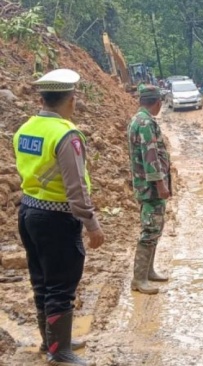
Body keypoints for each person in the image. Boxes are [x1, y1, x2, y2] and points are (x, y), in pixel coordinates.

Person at [13, 68, 105, 365]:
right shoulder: (66, 134)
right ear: (71, 99)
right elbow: (76, 187)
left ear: (43, 98)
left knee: (42, 281)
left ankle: (51, 342)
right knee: (61, 285)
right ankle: (60, 352)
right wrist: (92, 225)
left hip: (29, 211)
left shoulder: (26, 127)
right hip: (56, 218)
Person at [127, 84, 171, 295]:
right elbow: (150, 156)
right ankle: (139, 279)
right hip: (150, 187)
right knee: (150, 230)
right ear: (157, 102)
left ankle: (148, 271)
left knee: (154, 229)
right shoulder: (145, 123)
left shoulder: (139, 119)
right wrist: (161, 184)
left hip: (146, 185)